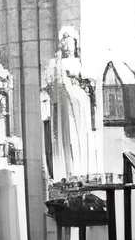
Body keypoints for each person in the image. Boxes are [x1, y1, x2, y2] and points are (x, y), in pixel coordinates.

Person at [44, 26, 105, 191]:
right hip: (64, 107)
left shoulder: (81, 62)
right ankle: (67, 171)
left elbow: (90, 82)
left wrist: (79, 81)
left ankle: (82, 170)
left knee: (79, 138)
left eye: (70, 41)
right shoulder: (54, 63)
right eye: (64, 41)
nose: (67, 45)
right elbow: (49, 84)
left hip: (80, 105)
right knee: (68, 137)